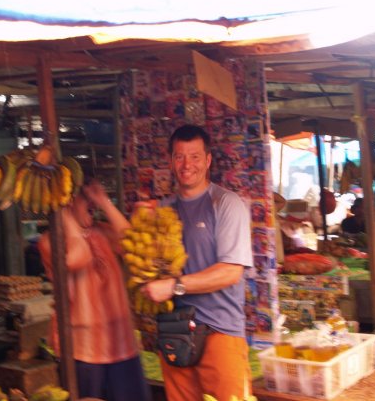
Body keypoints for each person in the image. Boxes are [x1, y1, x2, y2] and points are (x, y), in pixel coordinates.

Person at [141, 124, 254, 401]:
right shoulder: (164, 210)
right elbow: (136, 253)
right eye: (179, 156)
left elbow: (230, 272)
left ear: (207, 160)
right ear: (170, 161)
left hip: (220, 331)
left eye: (194, 156)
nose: (186, 164)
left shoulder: (226, 204)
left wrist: (174, 286)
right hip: (174, 330)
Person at [38, 180, 151, 401]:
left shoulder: (102, 231)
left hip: (122, 344)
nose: (91, 203)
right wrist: (66, 217)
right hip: (84, 350)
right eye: (84, 197)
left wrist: (104, 202)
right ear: (67, 201)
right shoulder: (50, 241)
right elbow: (80, 256)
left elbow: (132, 243)